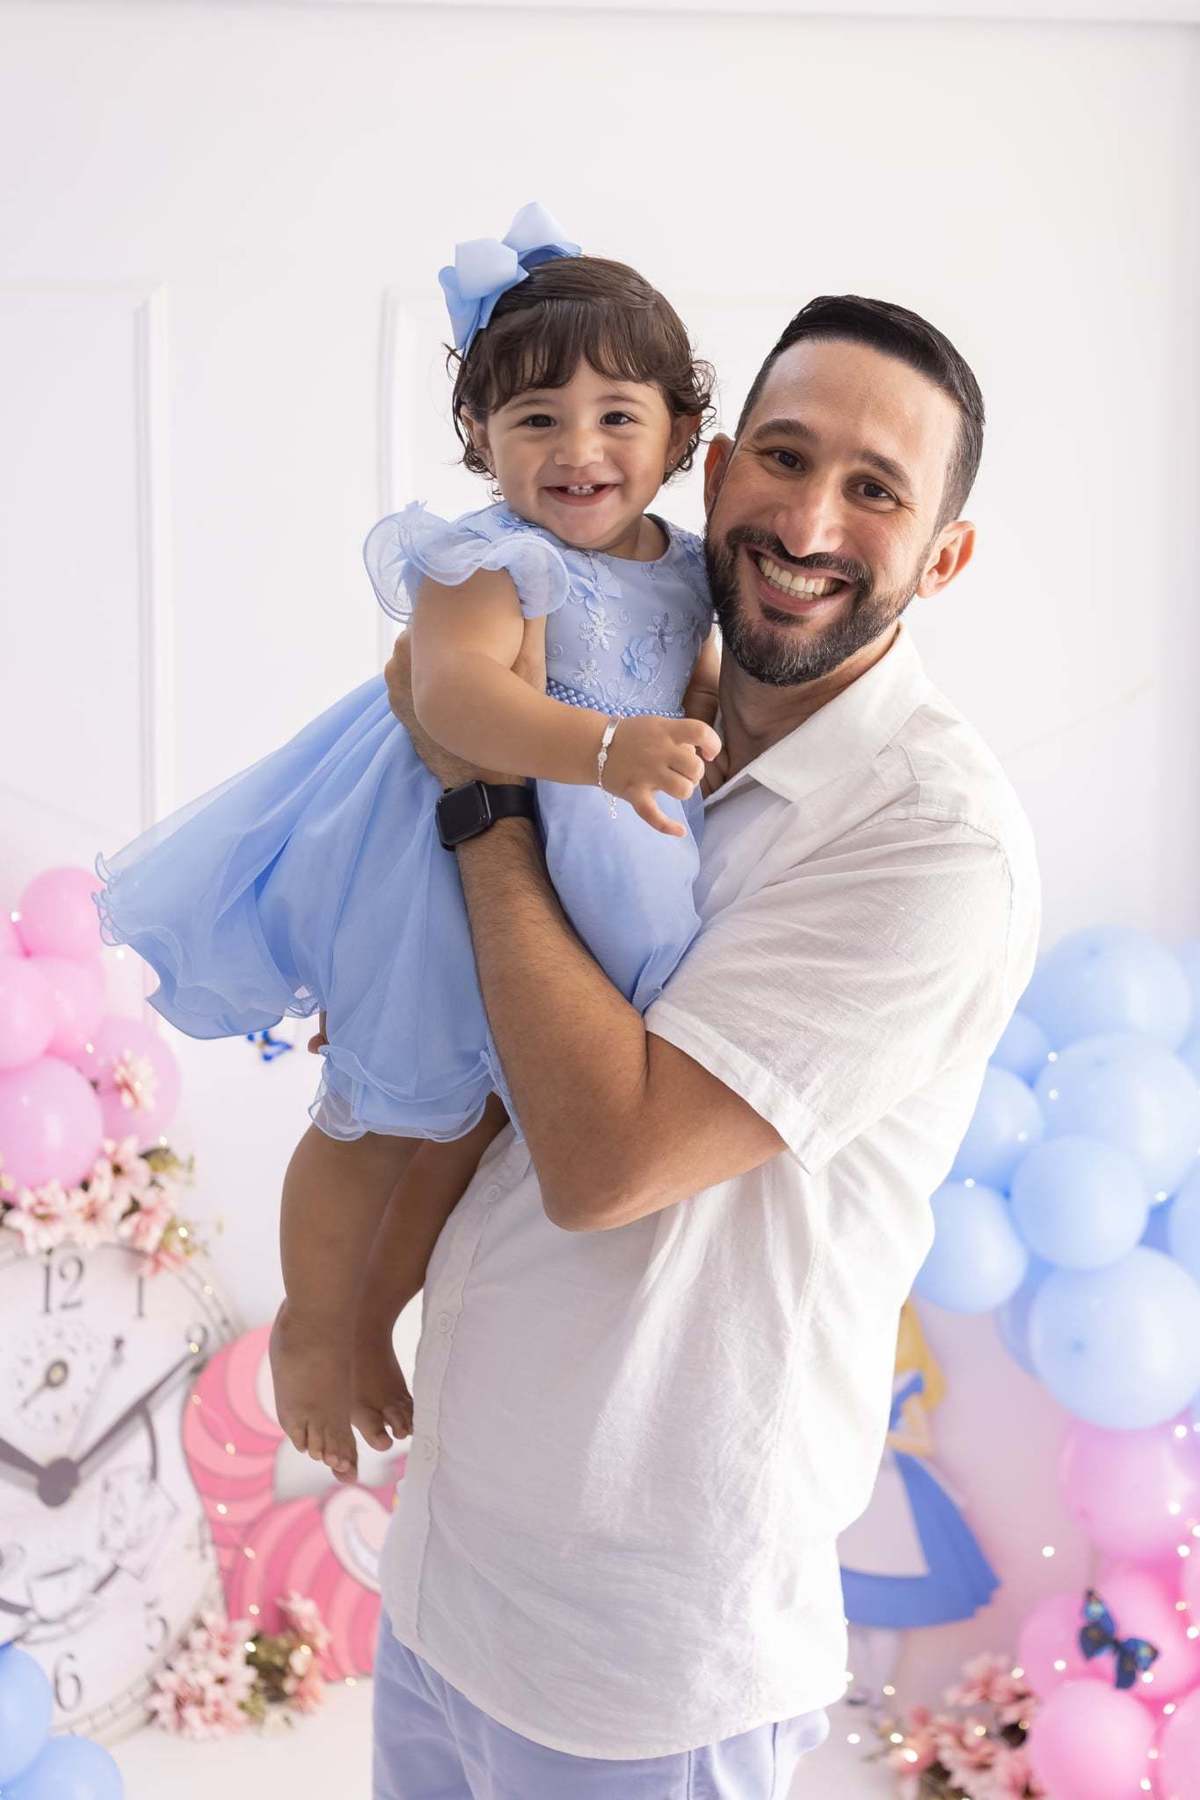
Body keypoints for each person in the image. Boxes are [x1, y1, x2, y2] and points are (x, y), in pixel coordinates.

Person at [367, 291, 1041, 1798]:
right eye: (784, 459)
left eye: (876, 491)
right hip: (448, 1569)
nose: (809, 522)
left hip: (640, 1657)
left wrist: (482, 801)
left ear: (943, 557)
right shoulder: (621, 698)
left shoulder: (934, 843)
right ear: (717, 469)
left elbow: (605, 1160)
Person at [93, 203, 723, 1478]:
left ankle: (379, 1312)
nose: (578, 448)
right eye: (535, 419)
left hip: (569, 882)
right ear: (479, 437)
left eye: (617, 415)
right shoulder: (485, 559)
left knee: (480, 1120)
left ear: (681, 435)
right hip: (432, 871)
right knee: (384, 1114)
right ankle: (314, 1325)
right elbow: (454, 699)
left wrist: (693, 728)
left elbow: (689, 682)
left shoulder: (691, 564)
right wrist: (606, 750)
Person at [840, 1301, 1000, 1714]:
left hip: (892, 1492)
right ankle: (862, 1685)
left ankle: (877, 1692)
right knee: (850, 1603)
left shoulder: (906, 1383)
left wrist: (879, 1436)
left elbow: (922, 1441)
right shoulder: (857, 1373)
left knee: (886, 1605)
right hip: (858, 1484)